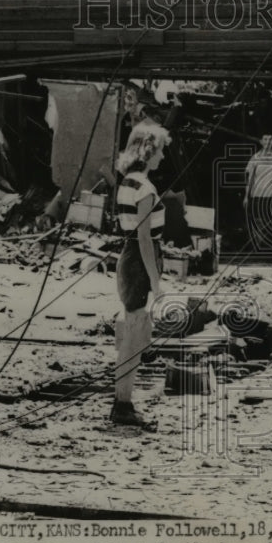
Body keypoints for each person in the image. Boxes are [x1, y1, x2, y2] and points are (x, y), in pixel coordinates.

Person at [109, 123, 171, 429]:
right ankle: (122, 405)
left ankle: (123, 401)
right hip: (138, 261)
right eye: (160, 150)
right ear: (148, 150)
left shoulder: (127, 183)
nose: (162, 156)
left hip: (128, 258)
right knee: (133, 337)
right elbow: (145, 239)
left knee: (135, 333)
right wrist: (156, 282)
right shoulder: (145, 189)